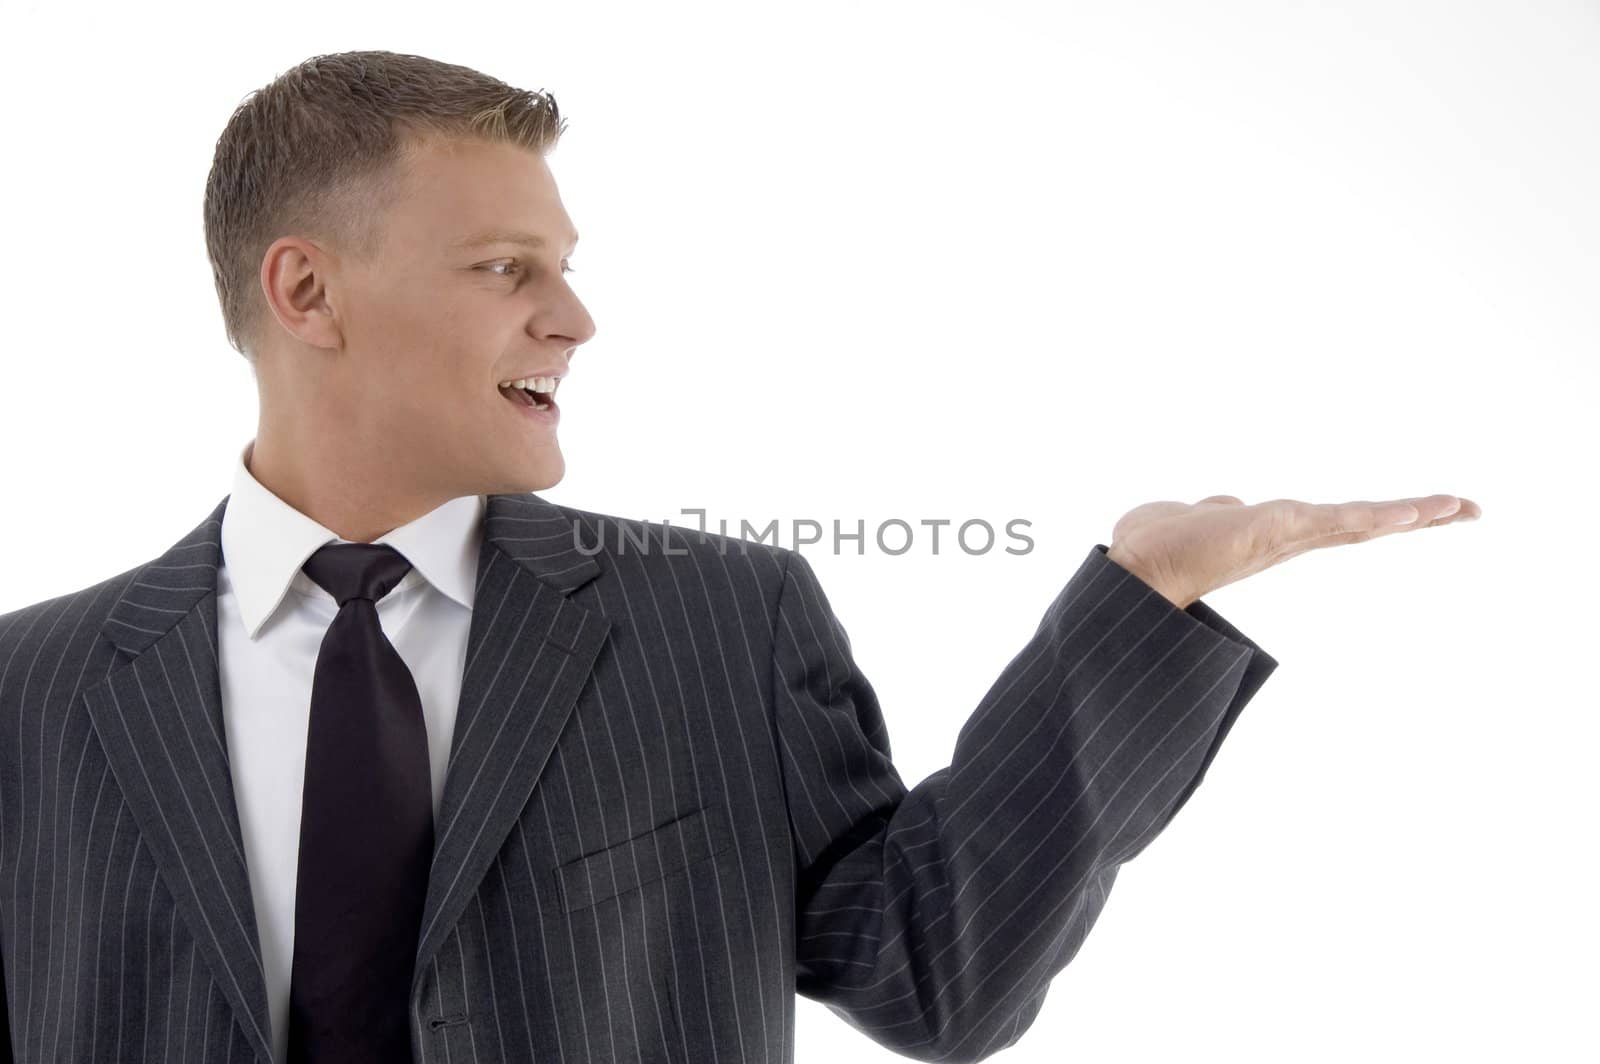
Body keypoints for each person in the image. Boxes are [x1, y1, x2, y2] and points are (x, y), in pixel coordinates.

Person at [0, 49, 1479, 1064]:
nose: (574, 321)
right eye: (509, 269)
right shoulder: (32, 686)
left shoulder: (719, 622)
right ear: (307, 289)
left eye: (566, 271)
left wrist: (1145, 597)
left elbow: (931, 971)